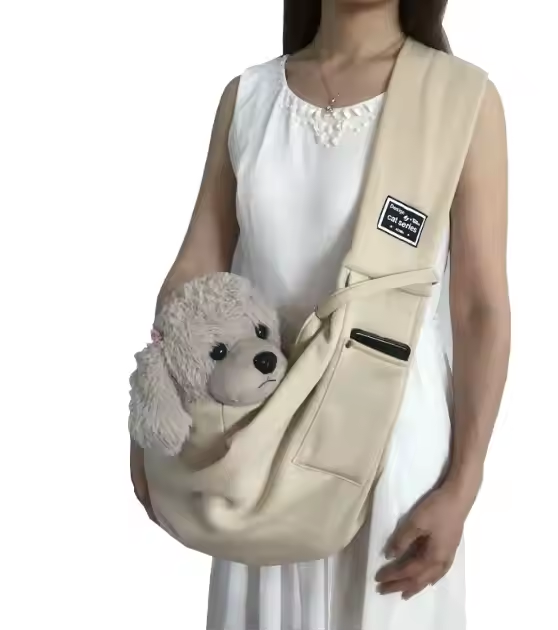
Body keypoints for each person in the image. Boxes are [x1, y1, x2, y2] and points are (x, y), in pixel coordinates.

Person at [130, 0, 510, 628]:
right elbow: (197, 265)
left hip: (393, 443)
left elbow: (480, 309)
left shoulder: (460, 98)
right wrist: (153, 419)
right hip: (256, 435)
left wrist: (462, 486)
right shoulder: (249, 97)